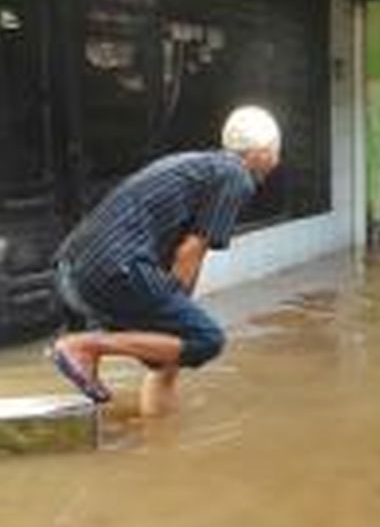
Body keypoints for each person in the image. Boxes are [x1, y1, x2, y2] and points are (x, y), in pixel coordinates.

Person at [48, 105, 281, 416]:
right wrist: (179, 316)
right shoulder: (235, 175)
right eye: (276, 149)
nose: (277, 159)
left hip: (72, 270)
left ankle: (156, 438)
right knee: (205, 340)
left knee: (168, 358)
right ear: (263, 151)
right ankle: (83, 346)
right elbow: (190, 251)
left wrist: (173, 319)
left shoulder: (198, 165)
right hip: (111, 270)